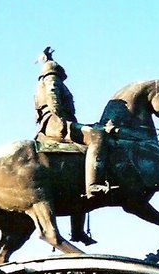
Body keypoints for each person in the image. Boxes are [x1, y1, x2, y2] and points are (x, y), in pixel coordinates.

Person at [34, 47, 112, 199]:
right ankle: (93, 184)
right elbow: (53, 97)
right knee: (97, 136)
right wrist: (61, 120)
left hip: (55, 121)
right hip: (55, 122)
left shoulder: (46, 79)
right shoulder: (51, 78)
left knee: (94, 130)